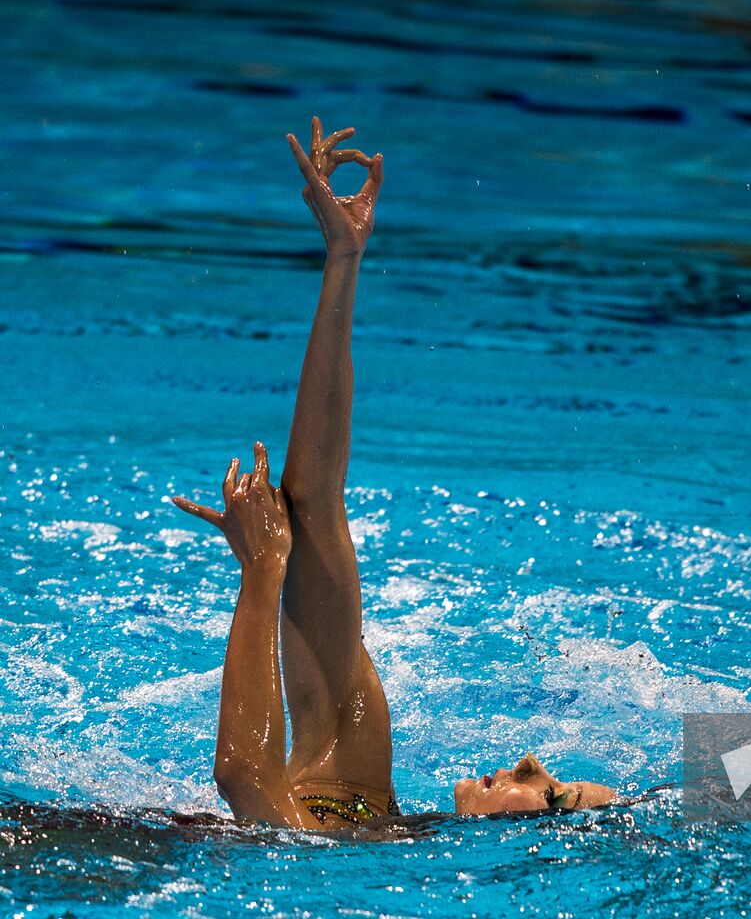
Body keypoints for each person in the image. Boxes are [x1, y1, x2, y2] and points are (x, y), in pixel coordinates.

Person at [173, 119, 614, 828]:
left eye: (555, 794)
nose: (534, 763)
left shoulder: (346, 835)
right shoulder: (356, 780)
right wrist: (343, 262)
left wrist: (261, 576)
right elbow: (313, 504)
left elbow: (243, 776)